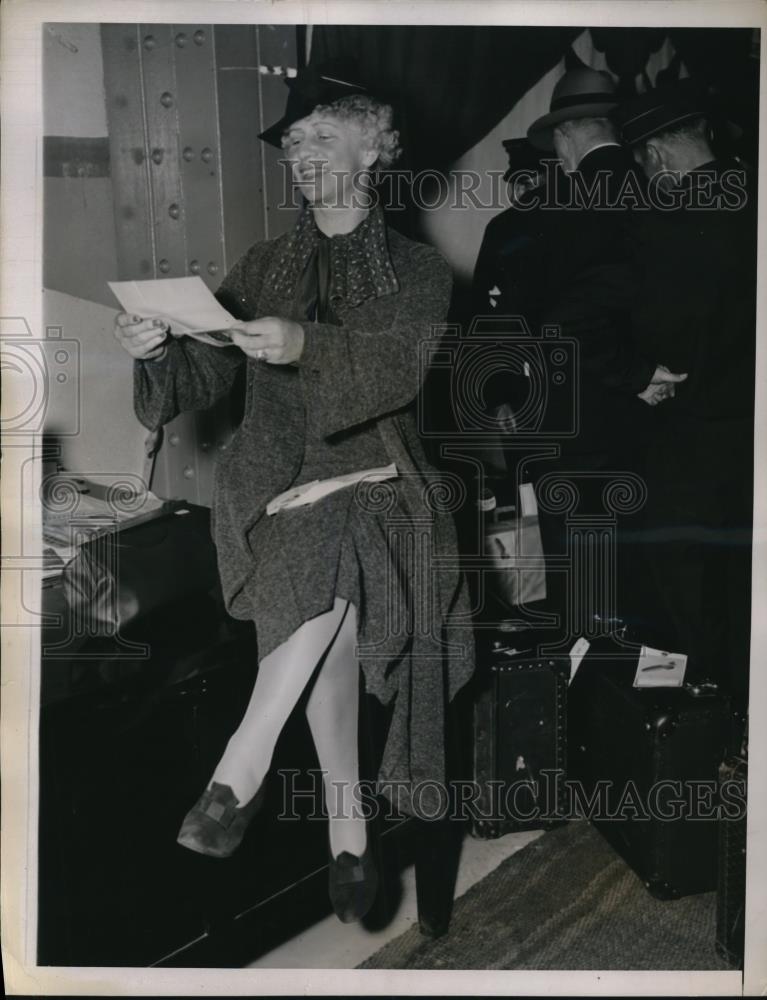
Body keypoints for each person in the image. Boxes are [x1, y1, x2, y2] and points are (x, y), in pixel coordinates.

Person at [113, 65, 474, 923]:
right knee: (325, 571)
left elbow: (393, 368)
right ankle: (348, 833)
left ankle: (242, 768)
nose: (302, 159)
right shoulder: (266, 264)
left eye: (321, 140)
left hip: (389, 478)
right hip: (274, 488)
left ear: (376, 148)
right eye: (294, 147)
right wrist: (157, 349)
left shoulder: (418, 271)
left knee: (339, 524)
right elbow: (204, 368)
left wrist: (304, 341)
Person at [618, 82, 756, 709]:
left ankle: (692, 723)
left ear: (657, 157)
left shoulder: (665, 223)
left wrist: (640, 371)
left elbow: (658, 331)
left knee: (671, 581)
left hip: (691, 436)